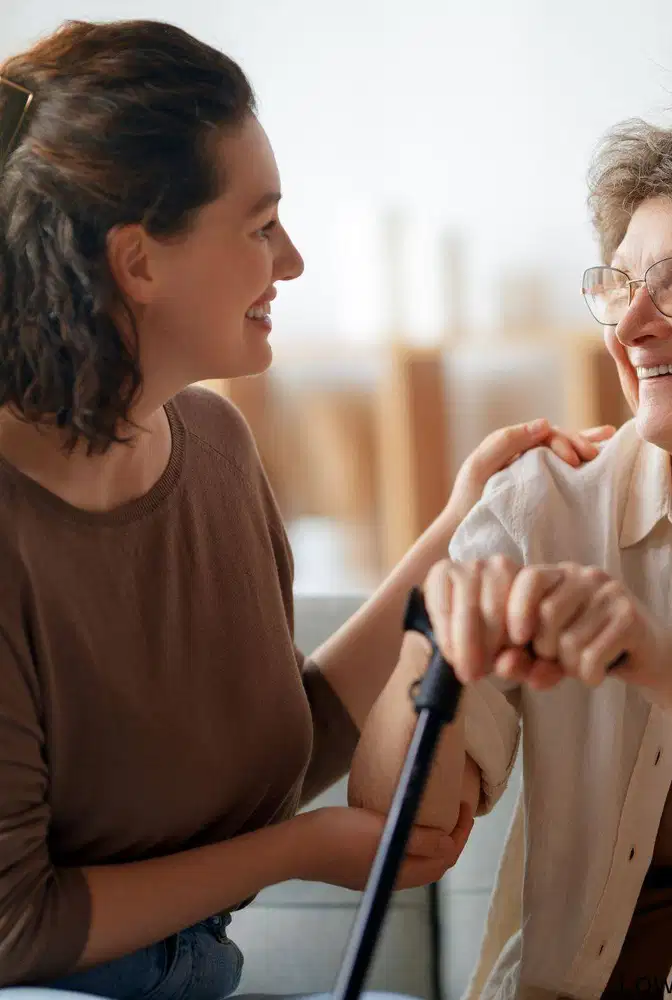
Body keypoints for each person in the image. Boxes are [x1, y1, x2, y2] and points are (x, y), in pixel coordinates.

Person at [0, 18, 611, 1000]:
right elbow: (16, 929)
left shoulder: (215, 447)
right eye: (258, 225)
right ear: (138, 261)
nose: (290, 263)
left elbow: (272, 748)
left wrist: (461, 520)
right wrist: (297, 850)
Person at [350, 107, 672, 1000]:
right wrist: (433, 639)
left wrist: (665, 666)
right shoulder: (542, 509)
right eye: (617, 284)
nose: (631, 326)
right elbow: (396, 826)